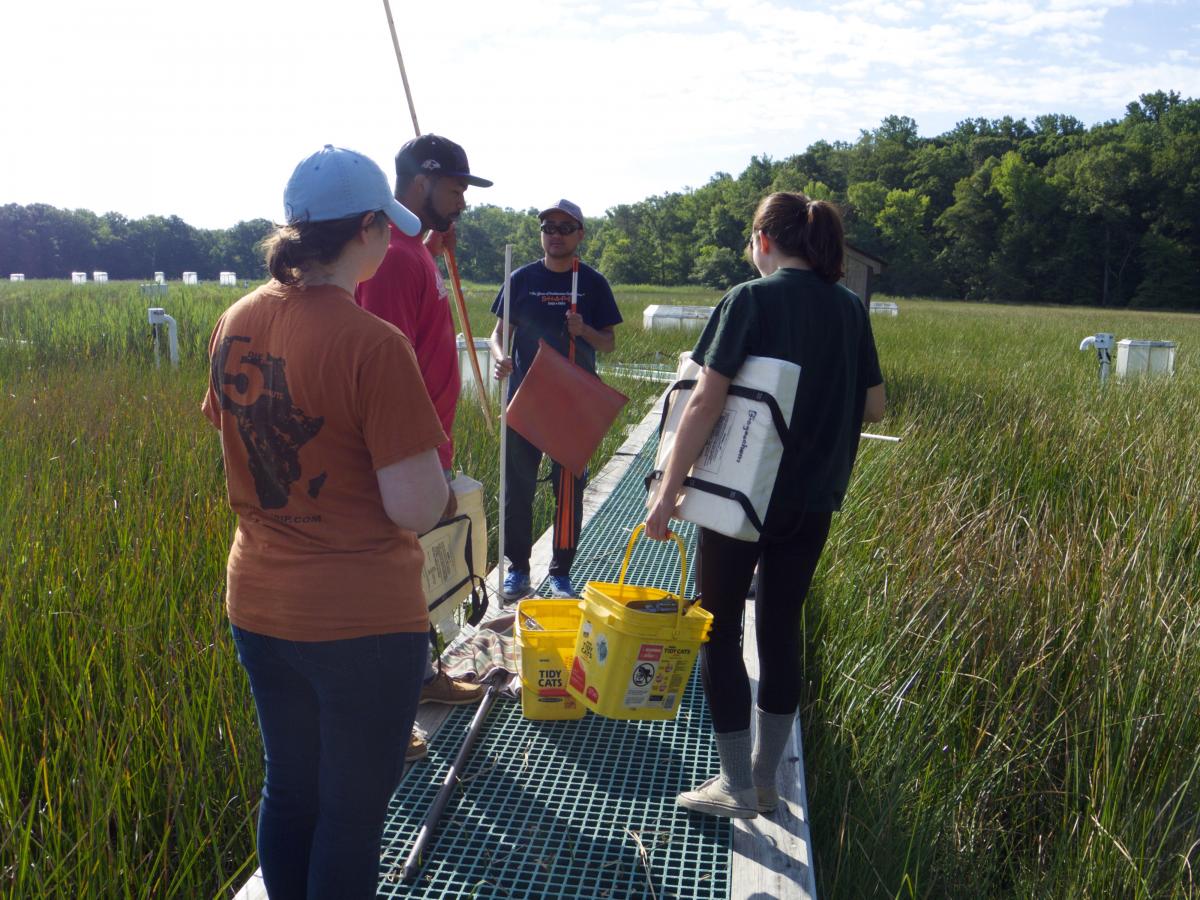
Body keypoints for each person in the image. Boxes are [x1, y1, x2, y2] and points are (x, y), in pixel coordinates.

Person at [203, 145, 449, 898]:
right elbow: (415, 504)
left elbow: (235, 440)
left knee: (291, 790)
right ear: (370, 229)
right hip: (361, 625)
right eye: (388, 231)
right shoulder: (374, 344)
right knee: (350, 814)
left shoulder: (236, 318)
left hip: (259, 604)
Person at [644, 192, 886, 819]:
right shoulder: (849, 310)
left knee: (719, 628)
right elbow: (875, 405)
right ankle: (767, 780)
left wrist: (667, 492)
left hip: (741, 498)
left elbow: (702, 402)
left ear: (763, 240)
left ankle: (735, 787)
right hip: (815, 499)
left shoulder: (748, 300)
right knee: (779, 628)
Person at [356, 134, 494, 757]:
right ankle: (384, 712)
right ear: (423, 181)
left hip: (425, 444)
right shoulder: (392, 257)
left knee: (411, 567)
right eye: (458, 187)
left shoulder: (414, 249)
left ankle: (420, 679)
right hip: (403, 450)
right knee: (386, 574)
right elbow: (385, 362)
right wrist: (416, 457)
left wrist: (434, 247)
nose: (463, 200)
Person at [489, 199, 623, 600]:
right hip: (526, 399)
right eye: (549, 227)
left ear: (580, 234)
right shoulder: (522, 279)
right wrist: (501, 359)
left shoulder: (593, 283)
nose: (556, 235)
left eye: (566, 228)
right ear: (541, 234)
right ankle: (518, 568)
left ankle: (561, 573)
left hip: (573, 402)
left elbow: (610, 342)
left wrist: (584, 331)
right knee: (518, 487)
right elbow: (498, 335)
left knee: (568, 490)